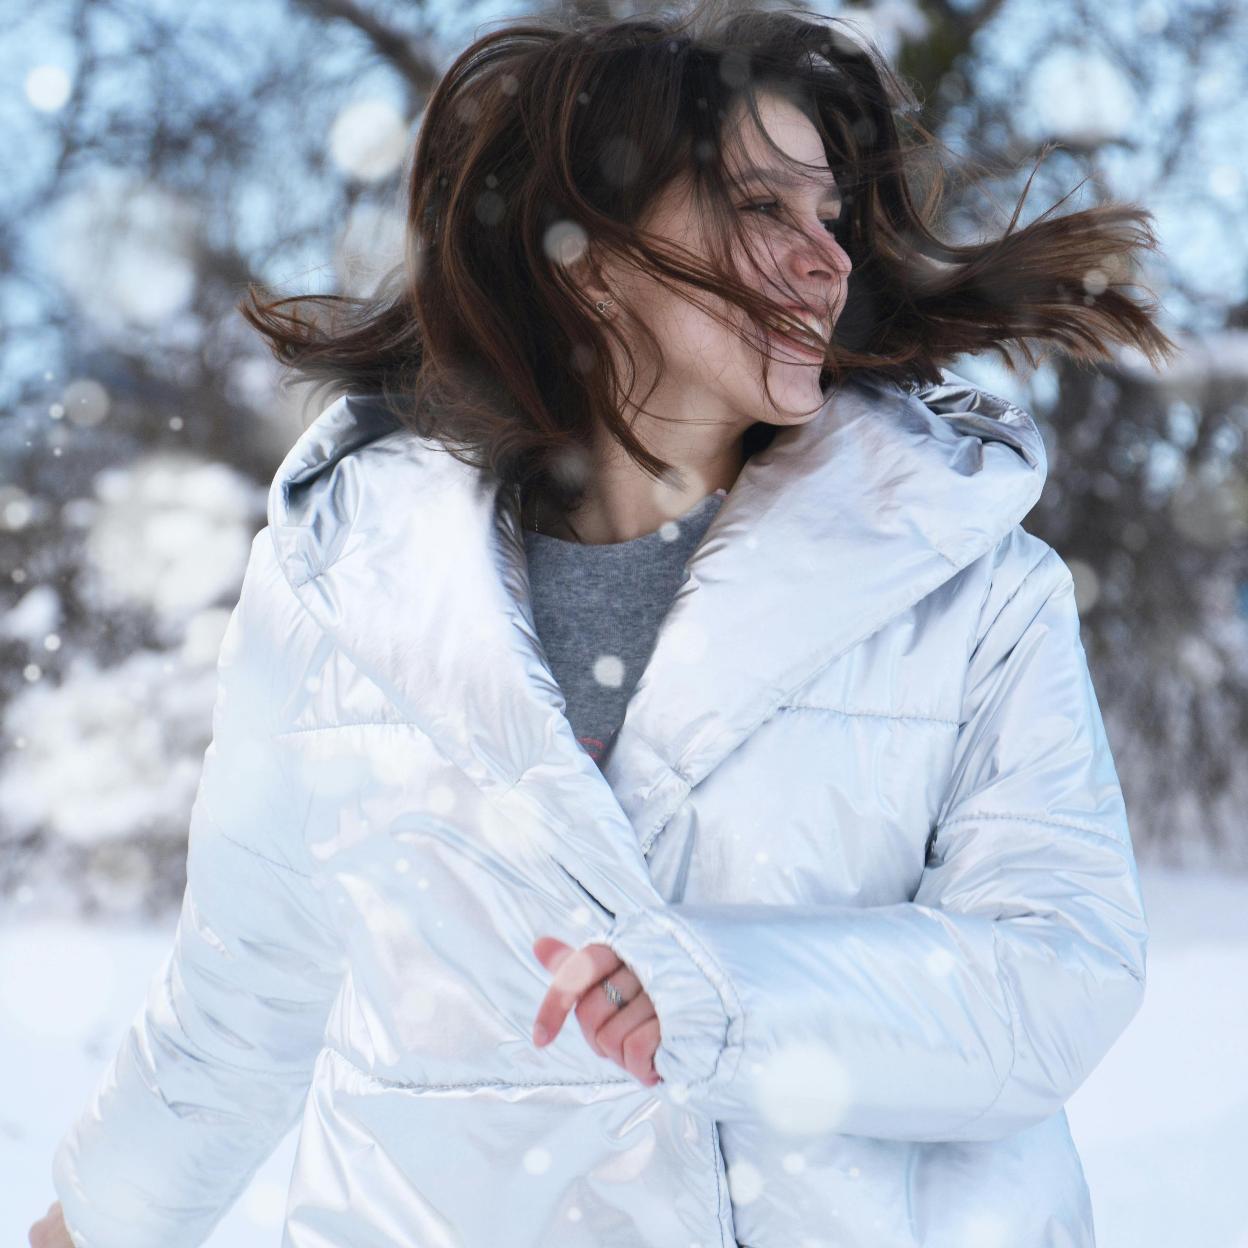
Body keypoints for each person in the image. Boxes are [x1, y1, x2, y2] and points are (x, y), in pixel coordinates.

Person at [34, 4, 1175, 1246]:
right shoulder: (340, 587)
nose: (827, 259)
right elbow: (238, 1000)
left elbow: (1058, 975)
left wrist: (723, 993)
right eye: (761, 206)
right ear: (586, 256)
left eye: (829, 216)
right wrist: (84, 1228)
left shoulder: (970, 586)